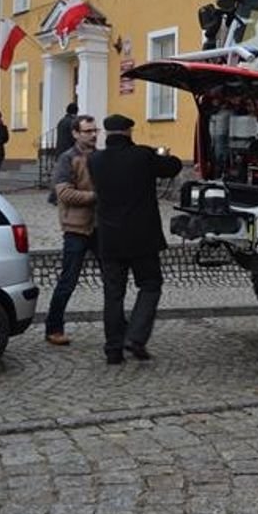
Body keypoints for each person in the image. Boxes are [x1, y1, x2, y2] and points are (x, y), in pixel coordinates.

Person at [87, 114, 182, 364]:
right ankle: (136, 337)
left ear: (107, 133)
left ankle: (113, 349)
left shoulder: (95, 160)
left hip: (110, 238)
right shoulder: (142, 155)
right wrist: (161, 153)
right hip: (142, 237)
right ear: (129, 131)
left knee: (113, 294)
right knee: (150, 285)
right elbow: (173, 166)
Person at [43, 115, 99, 346]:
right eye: (87, 131)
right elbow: (64, 194)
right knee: (68, 280)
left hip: (100, 226)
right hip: (76, 227)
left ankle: (118, 328)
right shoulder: (68, 158)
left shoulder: (100, 156)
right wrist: (96, 197)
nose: (93, 134)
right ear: (76, 134)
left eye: (95, 130)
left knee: (113, 278)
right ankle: (53, 327)